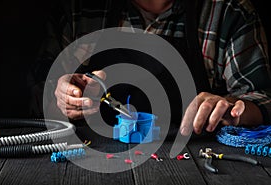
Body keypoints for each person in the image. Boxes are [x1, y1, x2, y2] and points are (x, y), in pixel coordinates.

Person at [29, 0, 271, 136]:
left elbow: (264, 98)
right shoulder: (78, 11)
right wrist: (64, 101)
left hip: (194, 165)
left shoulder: (228, 12)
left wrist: (230, 109)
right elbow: (36, 103)